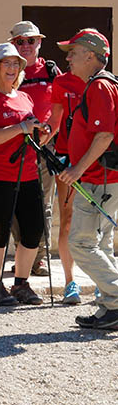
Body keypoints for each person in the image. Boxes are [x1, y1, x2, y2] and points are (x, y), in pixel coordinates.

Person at [0, 43, 48, 306]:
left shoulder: (24, 97)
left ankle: (21, 284)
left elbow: (26, 129)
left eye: (16, 64)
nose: (13, 68)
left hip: (28, 174)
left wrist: (39, 131)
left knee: (33, 230)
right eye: (8, 64)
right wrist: (20, 128)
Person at [56, 29, 118, 329]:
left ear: (90, 56)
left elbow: (104, 134)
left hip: (96, 179)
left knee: (80, 243)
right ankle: (110, 310)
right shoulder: (103, 85)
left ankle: (116, 299)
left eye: (73, 51)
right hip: (104, 178)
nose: (68, 58)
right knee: (102, 245)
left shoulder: (99, 87)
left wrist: (77, 169)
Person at [8, 21, 61, 277]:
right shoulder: (8, 70)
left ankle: (39, 258)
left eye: (31, 40)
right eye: (20, 41)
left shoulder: (51, 70)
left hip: (45, 147)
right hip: (17, 146)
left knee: (44, 205)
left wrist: (51, 130)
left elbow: (63, 105)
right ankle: (23, 254)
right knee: (18, 203)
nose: (26, 46)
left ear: (39, 42)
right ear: (13, 44)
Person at [48, 65, 86, 303]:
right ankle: (70, 281)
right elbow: (55, 119)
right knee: (68, 219)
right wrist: (38, 141)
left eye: (73, 52)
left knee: (99, 225)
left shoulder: (104, 81)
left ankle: (103, 282)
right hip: (67, 157)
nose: (69, 58)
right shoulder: (61, 82)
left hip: (96, 159)